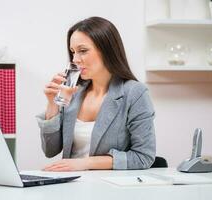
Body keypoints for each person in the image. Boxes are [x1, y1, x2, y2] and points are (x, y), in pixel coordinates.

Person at [36, 16, 155, 171]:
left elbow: (143, 157)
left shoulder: (134, 93)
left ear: (107, 50)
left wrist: (85, 163)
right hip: (70, 185)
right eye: (73, 52)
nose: (75, 59)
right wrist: (52, 104)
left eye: (83, 51)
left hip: (109, 187)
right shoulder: (73, 92)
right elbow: (50, 150)